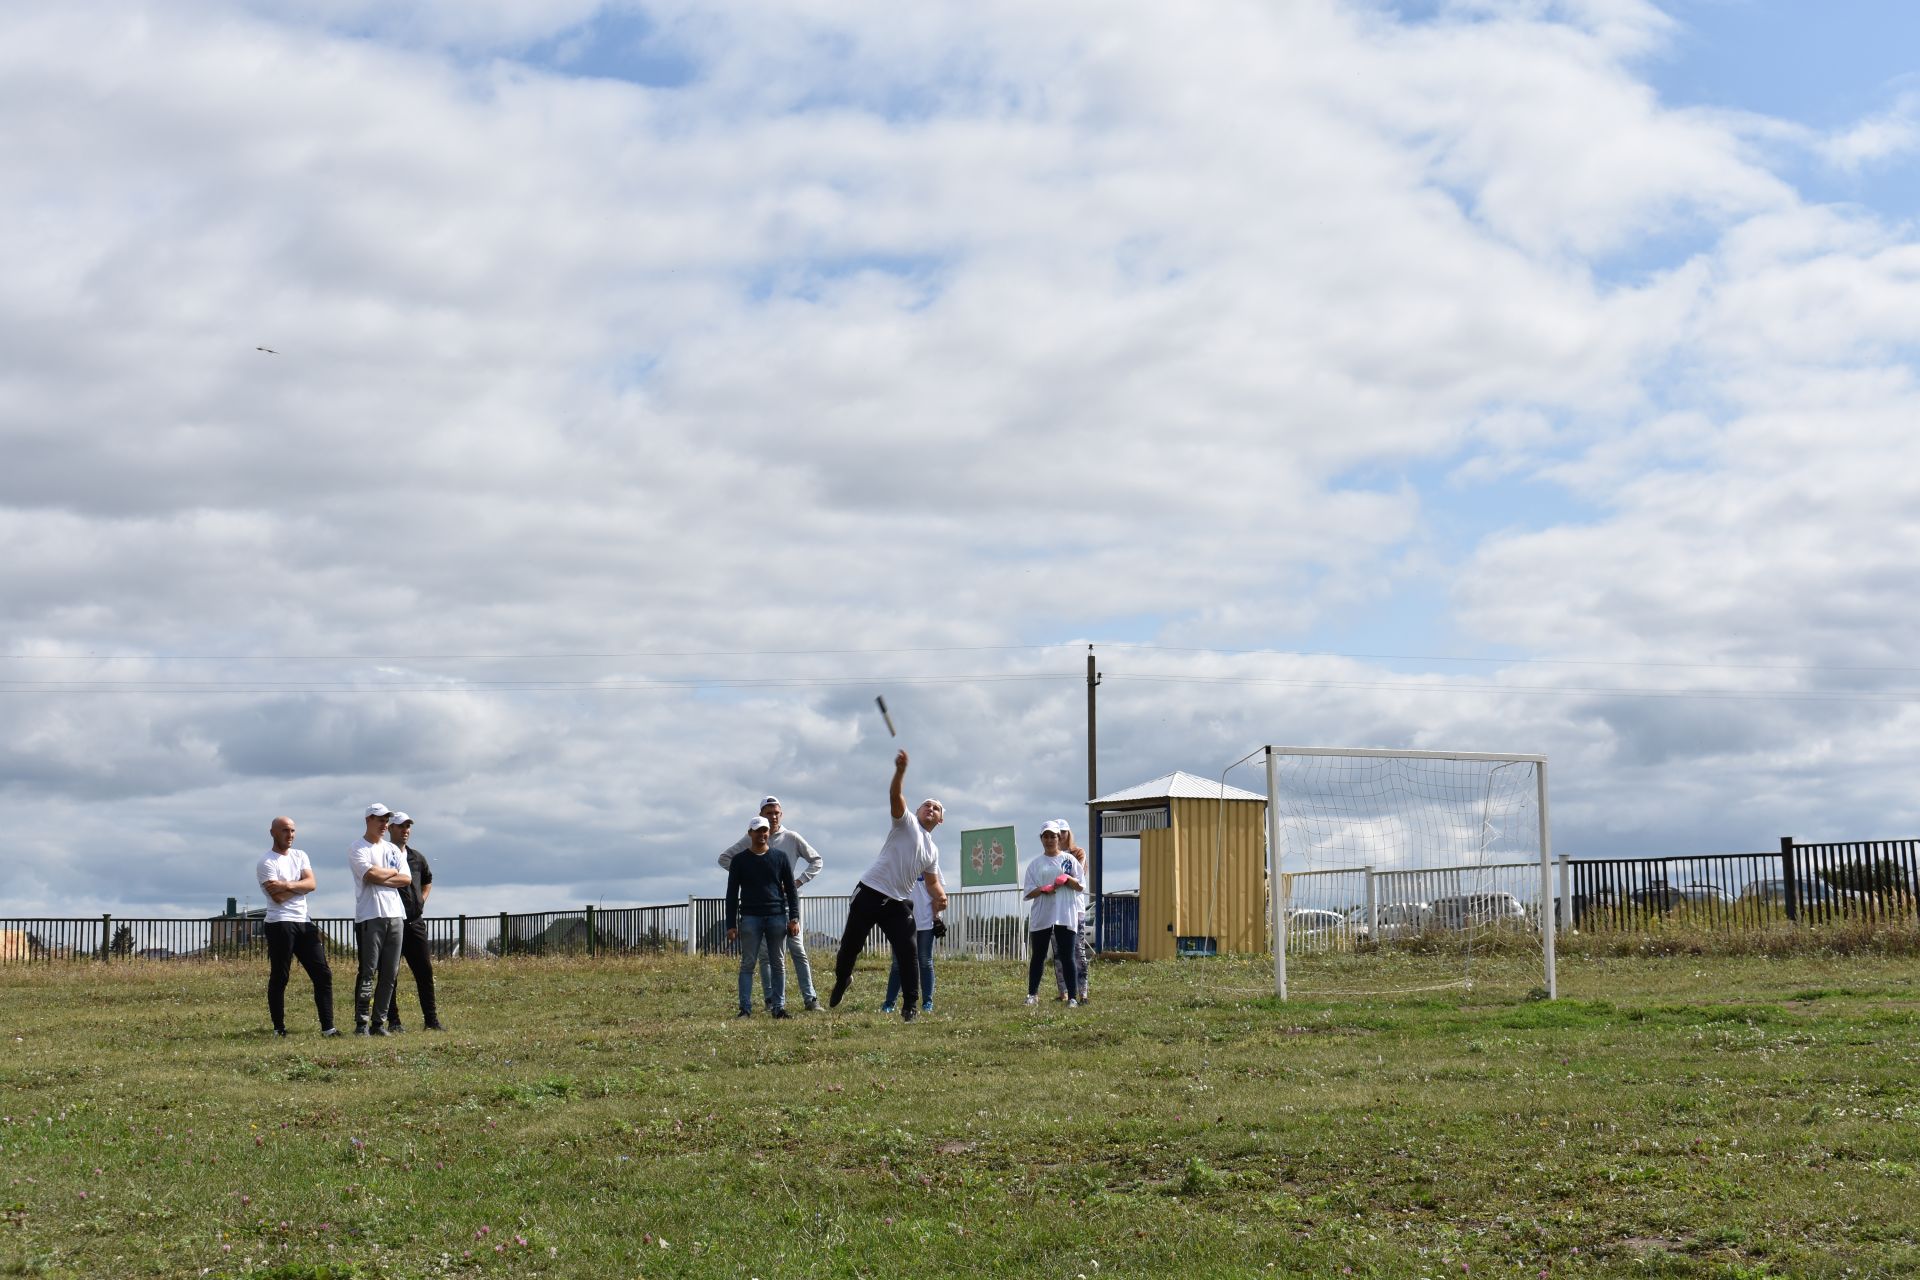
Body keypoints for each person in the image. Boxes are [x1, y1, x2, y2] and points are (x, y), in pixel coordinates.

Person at [828, 749, 948, 1022]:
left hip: (896, 902)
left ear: (941, 819)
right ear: (917, 811)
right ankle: (842, 979)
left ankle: (910, 1007)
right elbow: (895, 797)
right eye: (926, 805)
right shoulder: (905, 824)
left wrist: (941, 897)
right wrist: (900, 772)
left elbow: (931, 882)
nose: (931, 808)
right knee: (850, 947)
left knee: (909, 951)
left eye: (936, 808)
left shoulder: (933, 850)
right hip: (870, 891)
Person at [718, 796, 824, 1010]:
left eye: (776, 812)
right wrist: (750, 875)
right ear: (760, 816)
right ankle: (770, 1001)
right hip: (759, 908)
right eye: (768, 812)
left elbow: (817, 860)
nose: (773, 816)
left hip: (785, 905)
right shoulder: (752, 837)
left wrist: (797, 881)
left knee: (797, 950)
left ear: (781, 814)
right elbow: (724, 858)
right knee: (766, 956)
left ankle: (810, 998)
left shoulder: (792, 838)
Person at [257, 816, 339, 1037]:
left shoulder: (301, 855)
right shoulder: (267, 862)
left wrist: (286, 884)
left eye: (293, 831)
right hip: (279, 923)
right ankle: (279, 1028)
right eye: (285, 830)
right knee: (281, 976)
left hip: (304, 922)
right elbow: (278, 898)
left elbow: (312, 884)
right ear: (273, 832)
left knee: (323, 973)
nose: (290, 835)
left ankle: (328, 1027)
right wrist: (299, 886)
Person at [725, 816, 800, 1018]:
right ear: (750, 833)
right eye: (758, 830)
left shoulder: (780, 857)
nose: (762, 834)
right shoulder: (739, 861)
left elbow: (791, 890)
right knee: (748, 964)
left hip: (777, 916)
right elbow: (732, 893)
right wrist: (730, 924)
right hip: (750, 917)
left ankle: (779, 1008)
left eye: (765, 830)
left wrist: (794, 917)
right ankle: (745, 1009)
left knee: (778, 963)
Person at [348, 803, 411, 1036]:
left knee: (390, 973)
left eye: (386, 820)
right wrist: (387, 874)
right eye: (380, 820)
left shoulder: (393, 849)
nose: (384, 824)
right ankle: (361, 1023)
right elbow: (370, 875)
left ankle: (379, 1023)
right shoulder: (358, 848)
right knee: (368, 971)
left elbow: (406, 879)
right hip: (370, 915)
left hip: (396, 915)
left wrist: (384, 875)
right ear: (368, 820)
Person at [379, 812, 442, 1032]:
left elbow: (428, 880)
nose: (405, 830)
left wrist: (421, 900)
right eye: (400, 826)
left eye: (408, 826)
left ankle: (431, 1021)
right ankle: (394, 1021)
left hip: (415, 922)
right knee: (390, 974)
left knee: (424, 971)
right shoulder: (384, 855)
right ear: (390, 829)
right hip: (393, 921)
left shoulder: (417, 858)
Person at [1023, 822, 1083, 1007]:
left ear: (1059, 838)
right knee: (1038, 955)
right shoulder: (1035, 864)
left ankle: (1072, 997)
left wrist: (1068, 879)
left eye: (1053, 836)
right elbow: (1028, 892)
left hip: (1064, 913)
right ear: (1041, 839)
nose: (1049, 840)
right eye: (1046, 836)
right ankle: (1032, 995)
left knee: (1067, 956)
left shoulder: (1069, 860)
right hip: (1042, 914)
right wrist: (1042, 889)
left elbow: (1080, 885)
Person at [880, 869, 940, 1015]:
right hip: (902, 922)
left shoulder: (930, 863)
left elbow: (937, 892)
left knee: (925, 961)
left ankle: (927, 1003)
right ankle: (889, 1003)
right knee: (897, 964)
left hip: (925, 922)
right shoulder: (900, 863)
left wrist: (936, 917)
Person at [1053, 817, 1092, 1004]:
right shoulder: (1051, 856)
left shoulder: (1078, 853)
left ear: (1068, 833)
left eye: (1063, 832)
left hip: (1075, 909)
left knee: (1078, 950)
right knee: (1059, 952)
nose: (1060, 836)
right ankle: (1064, 991)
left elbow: (1079, 877)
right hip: (1055, 909)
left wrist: (1064, 879)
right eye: (1056, 833)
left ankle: (1082, 991)